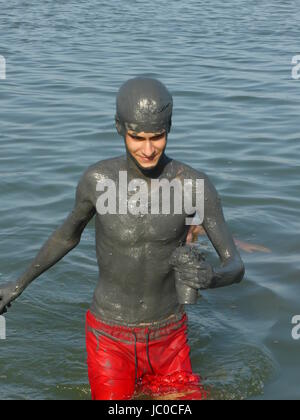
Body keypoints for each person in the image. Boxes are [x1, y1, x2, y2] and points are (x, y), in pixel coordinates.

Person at [0, 77, 245, 400]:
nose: (148, 149)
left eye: (157, 137)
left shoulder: (194, 186)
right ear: (119, 128)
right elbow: (65, 237)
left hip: (168, 333)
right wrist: (16, 285)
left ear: (169, 127)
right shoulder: (97, 181)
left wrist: (212, 278)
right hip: (109, 334)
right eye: (137, 137)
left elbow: (236, 265)